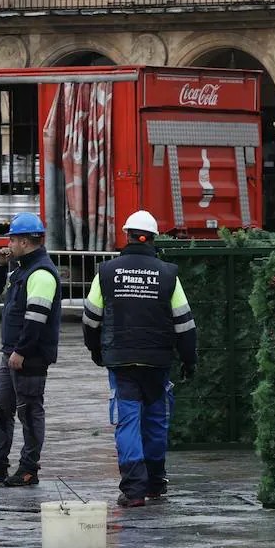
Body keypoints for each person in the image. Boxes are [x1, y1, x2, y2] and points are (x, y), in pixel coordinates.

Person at [82, 210, 197, 508]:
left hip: (121, 360)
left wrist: (96, 350)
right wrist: (188, 360)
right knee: (156, 420)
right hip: (157, 362)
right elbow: (185, 324)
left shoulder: (106, 272)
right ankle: (156, 482)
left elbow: (90, 319)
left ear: (127, 235)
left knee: (128, 421)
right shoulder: (168, 273)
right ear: (154, 238)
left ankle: (134, 490)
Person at [0, 211, 61, 487]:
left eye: (11, 239)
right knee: (1, 407)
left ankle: (28, 468)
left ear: (23, 241)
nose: (8, 244)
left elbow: (36, 319)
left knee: (30, 412)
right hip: (10, 352)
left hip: (28, 356)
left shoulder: (42, 273)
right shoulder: (21, 268)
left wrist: (21, 351)